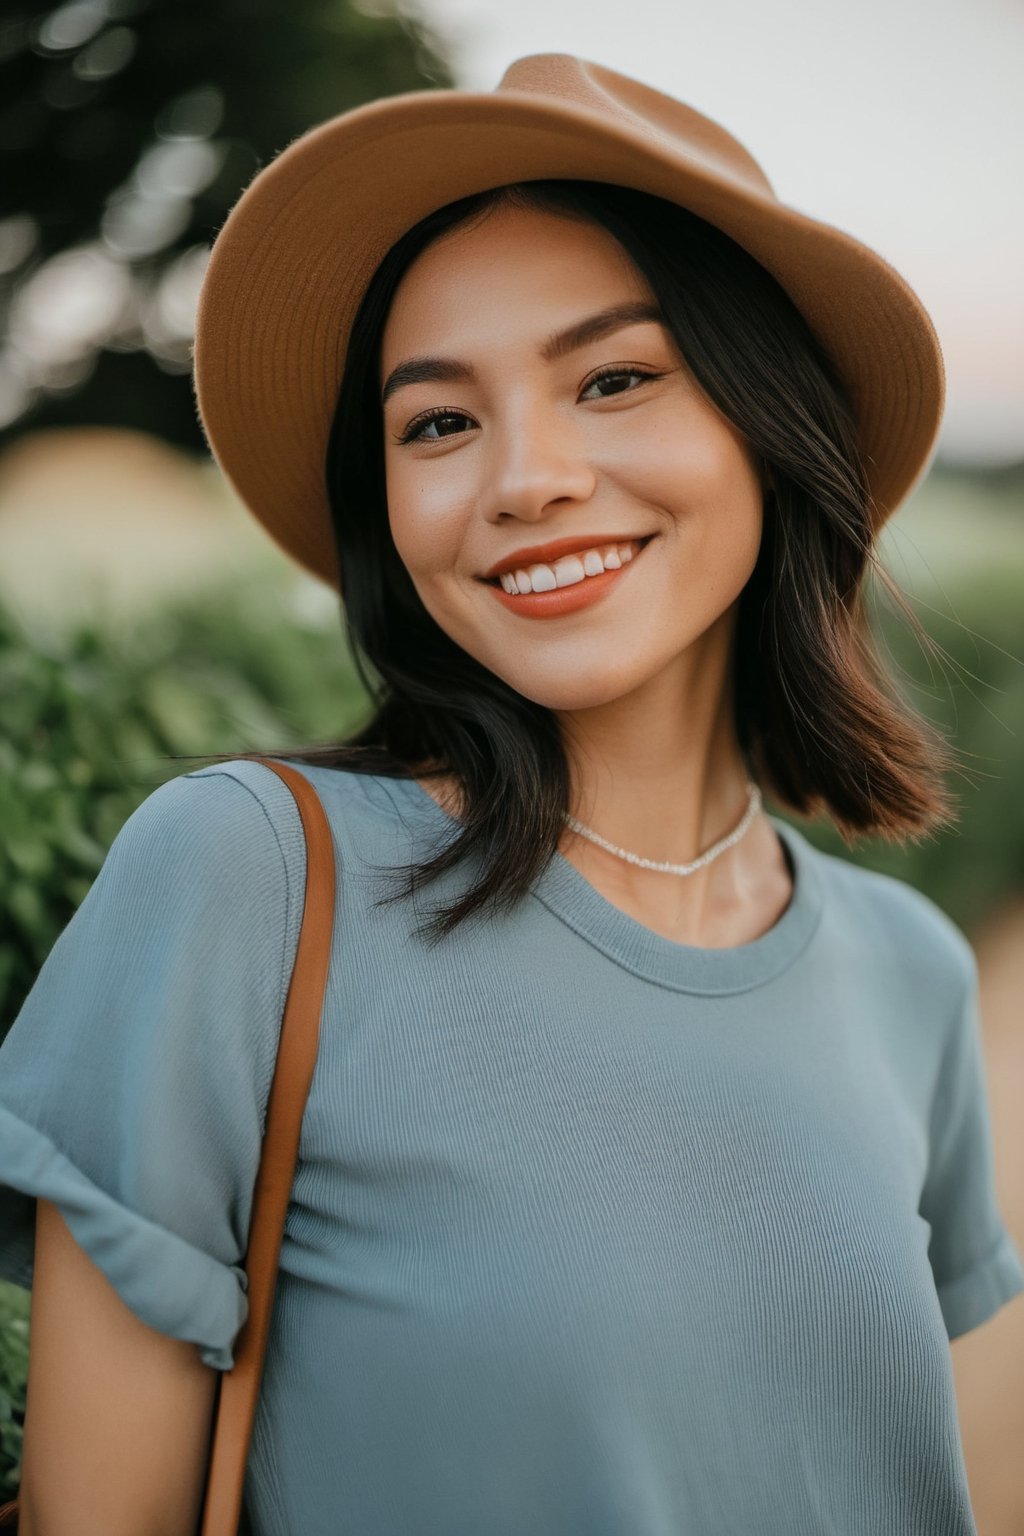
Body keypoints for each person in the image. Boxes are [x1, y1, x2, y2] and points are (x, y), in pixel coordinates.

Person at [1, 53, 1021, 1536]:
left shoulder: (908, 975)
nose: (524, 478)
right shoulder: (247, 879)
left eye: (615, 378)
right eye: (437, 422)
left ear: (768, 424)